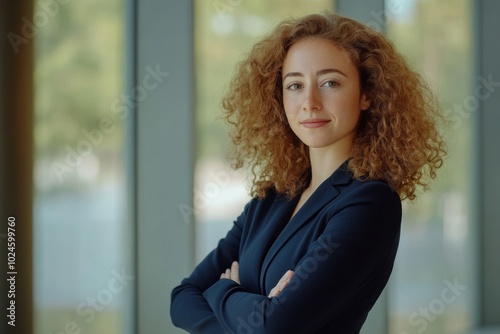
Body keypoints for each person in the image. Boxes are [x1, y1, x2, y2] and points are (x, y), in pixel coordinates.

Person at [171, 12, 446, 334]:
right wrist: (256, 314)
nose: (310, 102)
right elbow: (182, 300)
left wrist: (222, 290)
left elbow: (276, 326)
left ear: (367, 94)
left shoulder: (370, 202)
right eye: (295, 85)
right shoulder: (272, 196)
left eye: (330, 83)